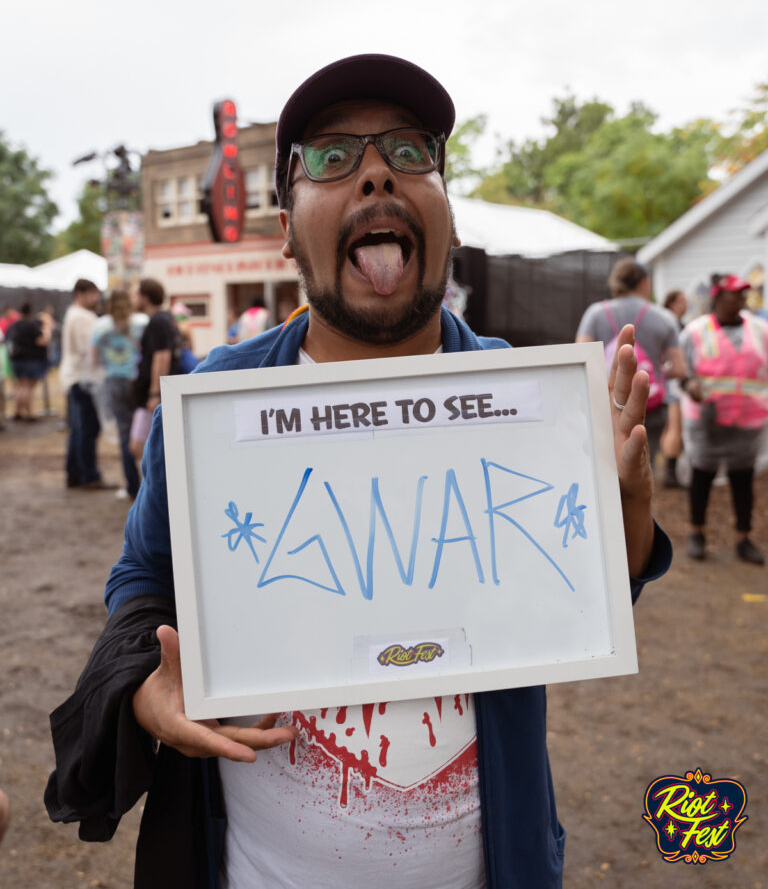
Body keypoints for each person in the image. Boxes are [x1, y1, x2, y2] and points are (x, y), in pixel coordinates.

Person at [46, 54, 671, 889]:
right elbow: (143, 577)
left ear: (446, 211)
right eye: (333, 157)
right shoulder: (219, 400)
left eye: (410, 152)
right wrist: (143, 691)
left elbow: (573, 602)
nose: (377, 173)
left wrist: (623, 517)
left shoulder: (528, 400)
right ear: (285, 224)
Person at [680, 274, 768, 564]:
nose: (742, 299)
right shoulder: (695, 331)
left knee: (742, 480)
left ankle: (744, 538)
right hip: (707, 421)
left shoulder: (760, 329)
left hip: (747, 420)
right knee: (702, 476)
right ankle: (697, 533)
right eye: (735, 294)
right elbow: (680, 369)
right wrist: (687, 385)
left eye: (744, 294)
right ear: (718, 297)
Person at [576, 258, 686, 470]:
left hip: (605, 402)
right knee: (644, 468)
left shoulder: (596, 313)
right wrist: (650, 371)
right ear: (644, 282)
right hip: (649, 405)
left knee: (605, 467)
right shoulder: (664, 318)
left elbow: (581, 358)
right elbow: (680, 369)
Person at [92, 290, 148, 500]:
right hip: (137, 381)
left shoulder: (100, 326)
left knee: (125, 434)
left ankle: (132, 486)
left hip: (114, 381)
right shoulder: (141, 322)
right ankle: (150, 482)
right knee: (145, 432)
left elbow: (94, 358)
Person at [60, 279, 113, 490]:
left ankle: (75, 474)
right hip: (85, 379)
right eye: (92, 294)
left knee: (79, 429)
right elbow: (91, 349)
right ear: (79, 294)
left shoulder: (73, 313)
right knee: (87, 429)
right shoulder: (82, 317)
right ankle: (88, 475)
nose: (96, 298)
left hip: (75, 377)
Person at [130, 278, 181, 458]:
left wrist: (154, 393)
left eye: (136, 294)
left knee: (139, 447)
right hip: (157, 393)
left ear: (145, 297)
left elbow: (162, 357)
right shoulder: (165, 319)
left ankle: (156, 485)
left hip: (153, 395)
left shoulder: (158, 321)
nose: (133, 298)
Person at [660, 289, 688, 488]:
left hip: (667, 380)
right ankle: (670, 473)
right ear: (673, 303)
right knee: (674, 426)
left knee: (671, 427)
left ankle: (670, 470)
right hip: (673, 381)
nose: (686, 304)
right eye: (683, 301)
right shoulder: (671, 323)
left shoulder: (664, 321)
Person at [5, 301, 51, 421]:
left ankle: (17, 411)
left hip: (16, 360)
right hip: (32, 360)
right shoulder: (33, 325)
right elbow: (41, 341)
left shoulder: (14, 326)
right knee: (28, 388)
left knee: (20, 386)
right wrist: (47, 328)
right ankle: (29, 413)